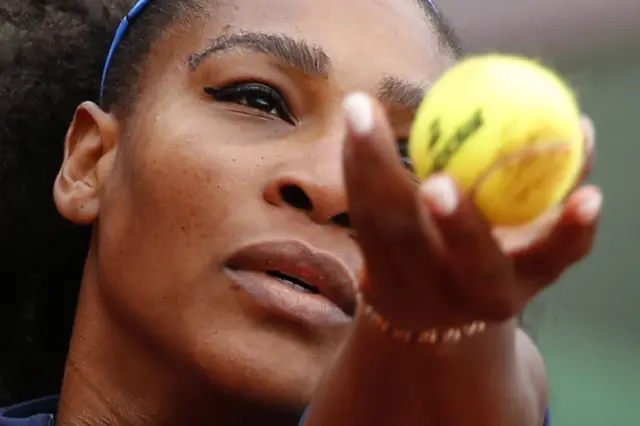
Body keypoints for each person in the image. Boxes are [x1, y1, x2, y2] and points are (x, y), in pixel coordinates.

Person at [0, 0, 601, 424]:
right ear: (89, 162)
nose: (338, 190)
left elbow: (494, 388)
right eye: (259, 100)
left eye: (407, 158)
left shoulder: (473, 373)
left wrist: (450, 333)